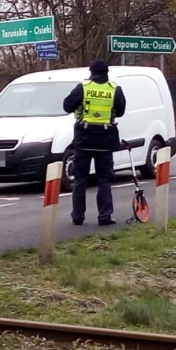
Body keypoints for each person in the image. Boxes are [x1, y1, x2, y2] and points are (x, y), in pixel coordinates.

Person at [62, 59, 127, 226]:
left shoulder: (82, 88)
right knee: (104, 180)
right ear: (107, 73)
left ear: (91, 72)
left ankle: (78, 216)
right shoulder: (114, 90)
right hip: (105, 140)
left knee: (80, 179)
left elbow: (67, 106)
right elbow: (120, 112)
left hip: (84, 140)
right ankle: (105, 216)